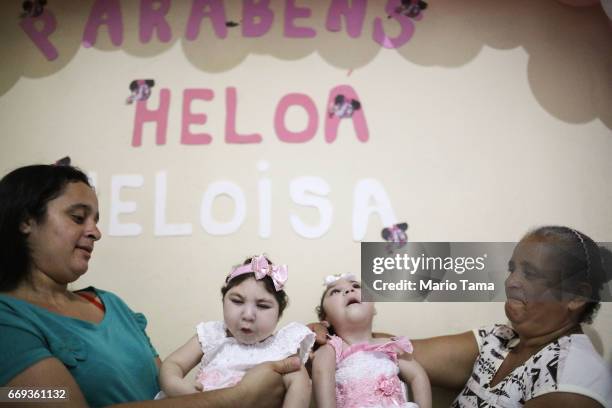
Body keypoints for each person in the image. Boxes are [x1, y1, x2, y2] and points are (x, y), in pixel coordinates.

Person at [0, 163, 300, 407]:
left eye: (95, 219)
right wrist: (239, 397)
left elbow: (163, 389)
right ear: (26, 220)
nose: (95, 232)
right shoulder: (7, 319)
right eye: (78, 217)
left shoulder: (111, 306)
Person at [309, 226, 612, 407]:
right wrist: (333, 336)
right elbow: (391, 351)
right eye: (512, 269)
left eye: (529, 273)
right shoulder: (498, 340)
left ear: (576, 296)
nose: (511, 282)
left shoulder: (573, 375)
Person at [159, 254, 314, 407]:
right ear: (223, 301)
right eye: (237, 301)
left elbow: (300, 383)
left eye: (262, 306)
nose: (247, 315)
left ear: (279, 314)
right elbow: (174, 363)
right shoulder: (212, 335)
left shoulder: (281, 348)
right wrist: (177, 387)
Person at [311, 273, 431, 408]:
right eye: (335, 291)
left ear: (373, 308)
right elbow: (321, 374)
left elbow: (417, 375)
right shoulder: (332, 347)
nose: (350, 290)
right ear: (325, 319)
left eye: (356, 286)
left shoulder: (389, 346)